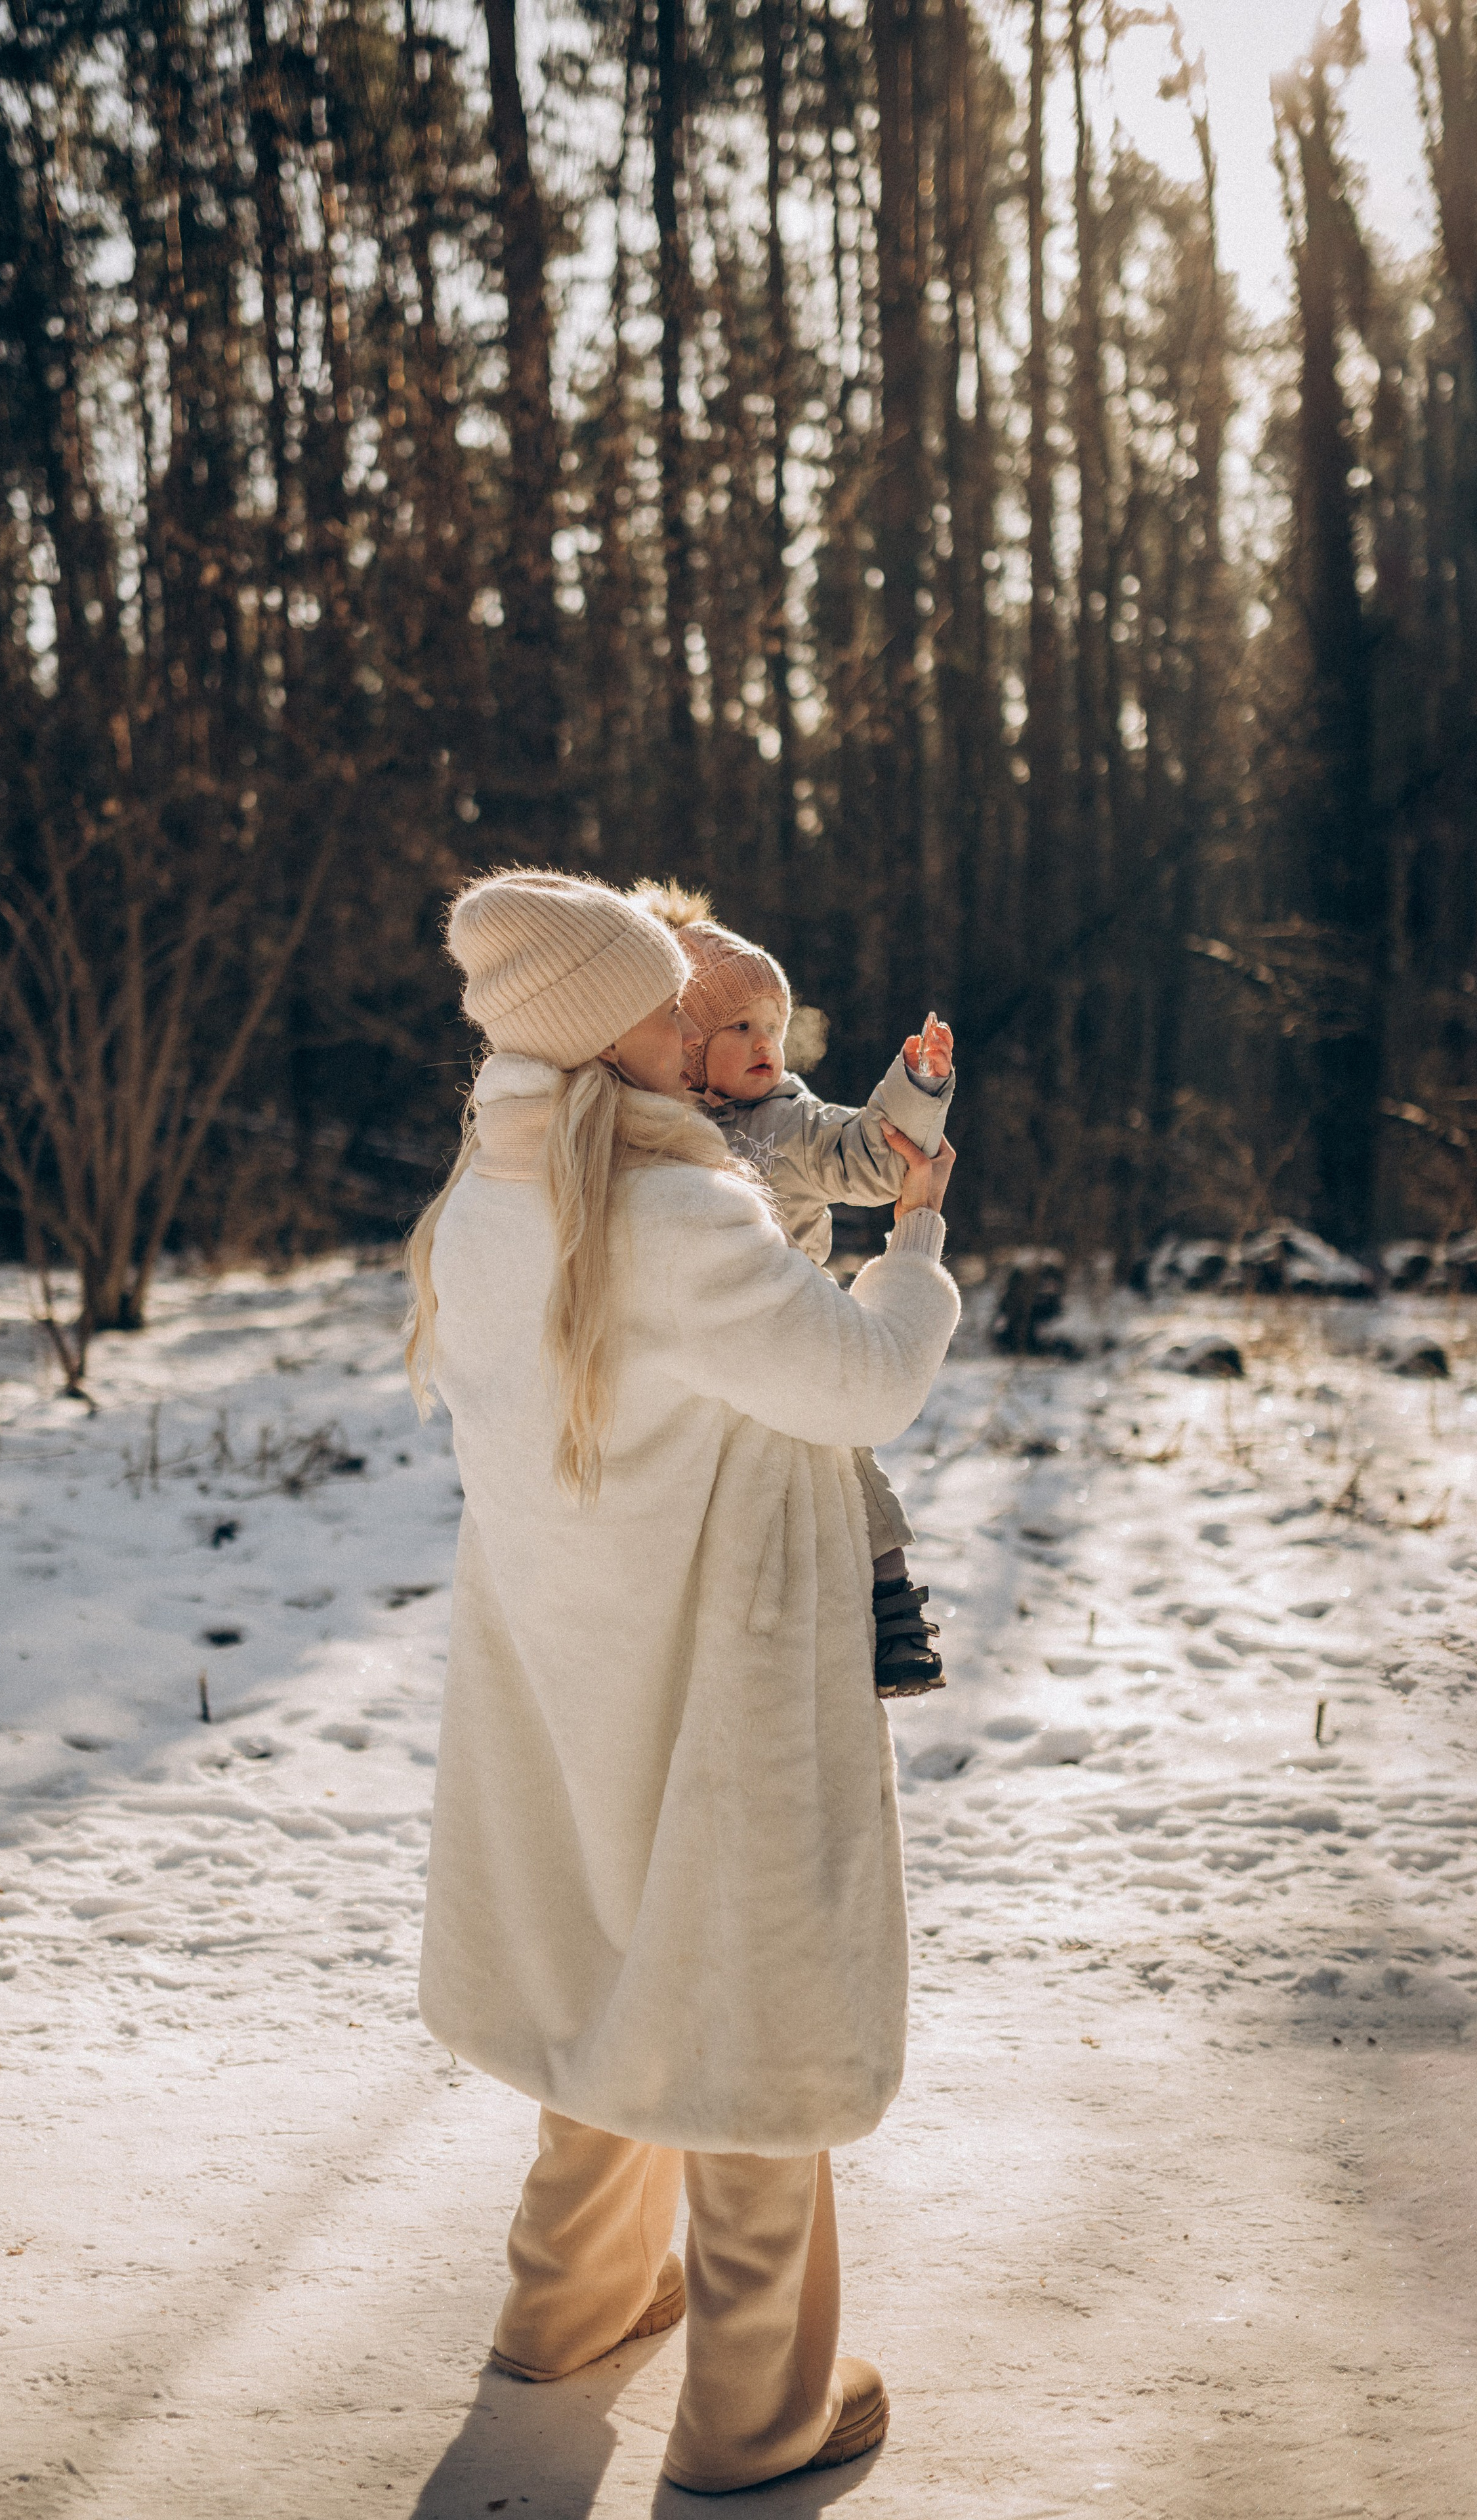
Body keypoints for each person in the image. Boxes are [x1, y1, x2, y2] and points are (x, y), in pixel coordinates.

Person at [404, 870, 959, 2495]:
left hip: (569, 1648)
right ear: (595, 1030)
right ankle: (754, 2403)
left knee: (606, 1949)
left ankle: (568, 2303)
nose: (694, 1018)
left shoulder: (492, 1190)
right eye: (661, 999)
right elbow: (860, 1387)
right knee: (747, 1986)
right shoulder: (674, 1210)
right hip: (725, 1650)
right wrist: (914, 1234)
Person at [633, 881, 955, 1698]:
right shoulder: (649, 1125)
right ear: (687, 1042)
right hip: (698, 1346)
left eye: (774, 1027)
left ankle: (893, 1610)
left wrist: (914, 1092)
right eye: (738, 1027)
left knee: (845, 1459)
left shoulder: (786, 1120)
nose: (765, 1044)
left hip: (791, 1315)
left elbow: (869, 1157)